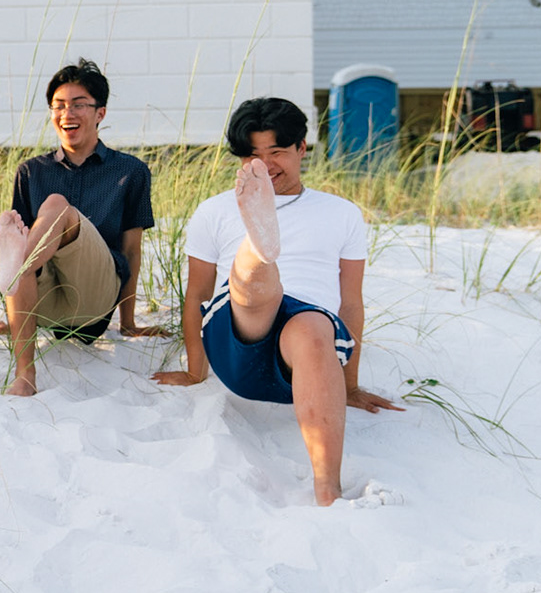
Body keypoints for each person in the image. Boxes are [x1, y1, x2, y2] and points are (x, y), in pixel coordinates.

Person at [151, 97, 402, 505]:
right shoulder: (214, 211)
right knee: (253, 292)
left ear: (302, 148)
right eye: (252, 156)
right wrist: (196, 372)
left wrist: (349, 385)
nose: (265, 166)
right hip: (236, 338)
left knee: (313, 325)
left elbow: (350, 304)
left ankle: (327, 489)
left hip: (306, 354)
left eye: (276, 152)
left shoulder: (341, 214)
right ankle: (258, 248)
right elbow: (197, 293)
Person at [0, 58, 167, 395]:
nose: (66, 113)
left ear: (100, 113)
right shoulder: (30, 172)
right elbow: (24, 244)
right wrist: (14, 319)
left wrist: (128, 323)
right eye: (58, 106)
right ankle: (24, 376)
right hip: (45, 303)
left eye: (78, 104)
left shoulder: (130, 172)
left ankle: (17, 270)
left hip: (94, 298)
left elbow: (131, 250)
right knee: (24, 245)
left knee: (56, 208)